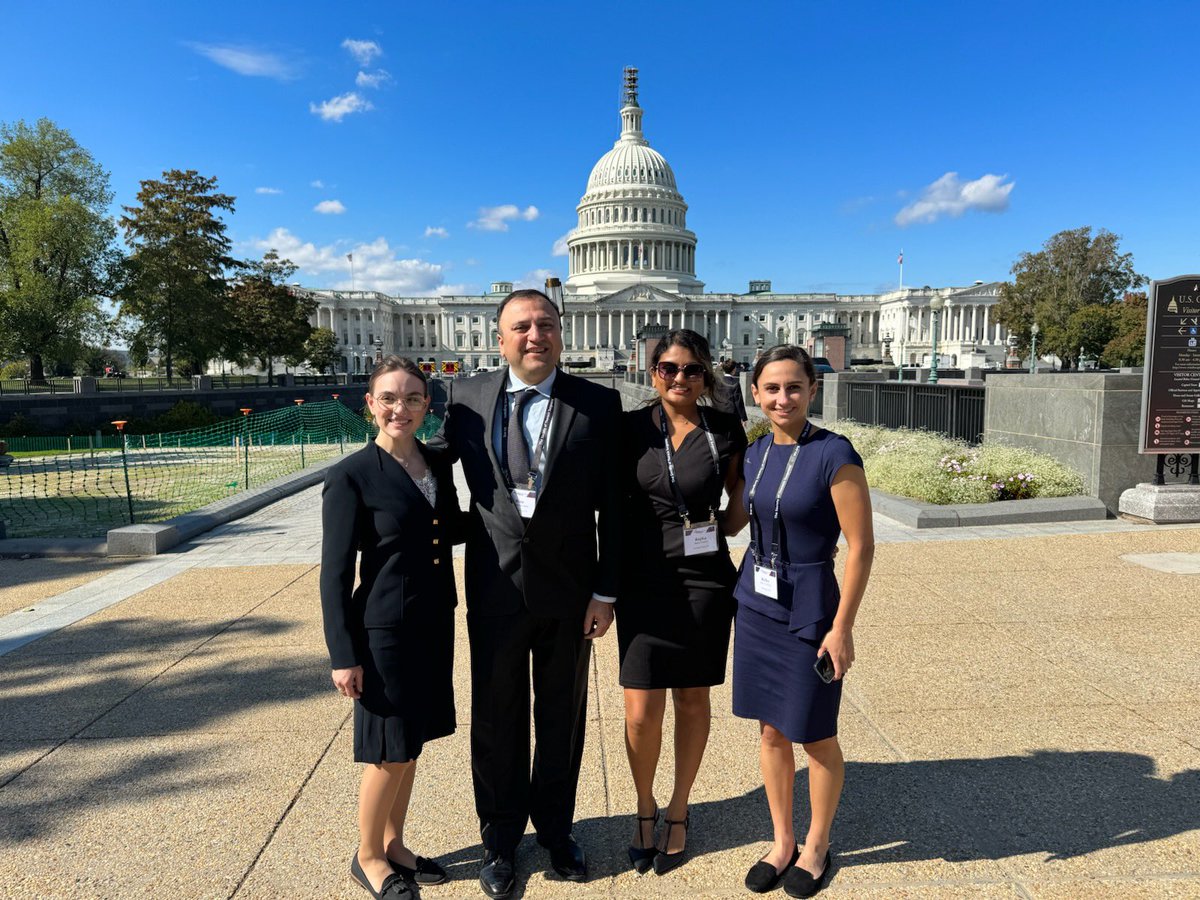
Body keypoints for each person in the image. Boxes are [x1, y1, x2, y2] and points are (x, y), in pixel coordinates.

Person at [429, 289, 622, 900]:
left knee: (563, 716)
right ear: (500, 336)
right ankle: (499, 839)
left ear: (560, 332)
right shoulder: (466, 400)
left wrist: (606, 591)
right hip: (494, 585)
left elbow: (615, 507)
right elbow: (430, 473)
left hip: (570, 591)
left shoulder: (598, 402)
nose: (533, 335)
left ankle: (557, 832)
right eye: (521, 327)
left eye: (544, 324)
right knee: (495, 717)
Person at [723, 345, 874, 898]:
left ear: (812, 391)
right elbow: (735, 519)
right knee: (770, 728)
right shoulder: (756, 452)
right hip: (758, 603)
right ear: (756, 394)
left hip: (811, 606)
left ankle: (817, 843)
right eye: (771, 389)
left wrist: (842, 626)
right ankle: (782, 839)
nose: (782, 398)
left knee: (815, 733)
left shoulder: (836, 454)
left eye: (793, 387)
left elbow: (860, 548)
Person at [320, 356, 465, 900]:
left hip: (432, 620)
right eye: (389, 398)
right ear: (370, 406)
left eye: (411, 398)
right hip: (383, 629)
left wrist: (522, 518)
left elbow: (448, 528)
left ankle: (395, 843)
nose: (400, 408)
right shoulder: (352, 475)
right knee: (390, 748)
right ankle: (367, 856)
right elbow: (335, 572)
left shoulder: (433, 463)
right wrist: (342, 653)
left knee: (413, 742)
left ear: (427, 406)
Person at [617, 330, 746, 876]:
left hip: (704, 580)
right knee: (642, 709)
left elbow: (739, 511)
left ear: (706, 375)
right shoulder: (628, 431)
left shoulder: (724, 429)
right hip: (643, 582)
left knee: (693, 699)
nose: (679, 378)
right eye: (668, 368)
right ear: (652, 372)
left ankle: (678, 806)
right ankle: (644, 804)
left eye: (692, 370)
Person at [717, 357, 748, 425]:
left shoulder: (718, 382)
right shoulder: (735, 383)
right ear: (734, 370)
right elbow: (739, 401)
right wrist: (744, 418)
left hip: (719, 413)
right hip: (732, 415)